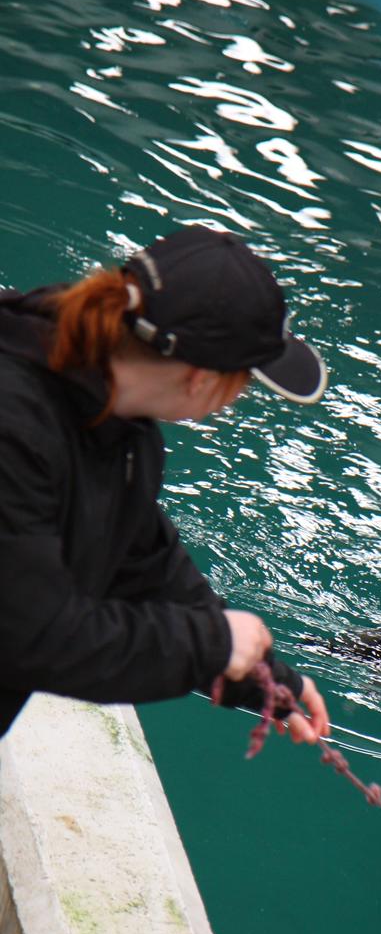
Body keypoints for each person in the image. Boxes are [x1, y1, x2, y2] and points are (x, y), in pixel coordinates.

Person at [0, 225, 331, 746]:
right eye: (242, 382)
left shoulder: (118, 427)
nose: (236, 398)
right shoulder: (14, 425)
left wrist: (265, 679)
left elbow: (142, 563)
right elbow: (30, 636)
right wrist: (211, 643)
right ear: (201, 377)